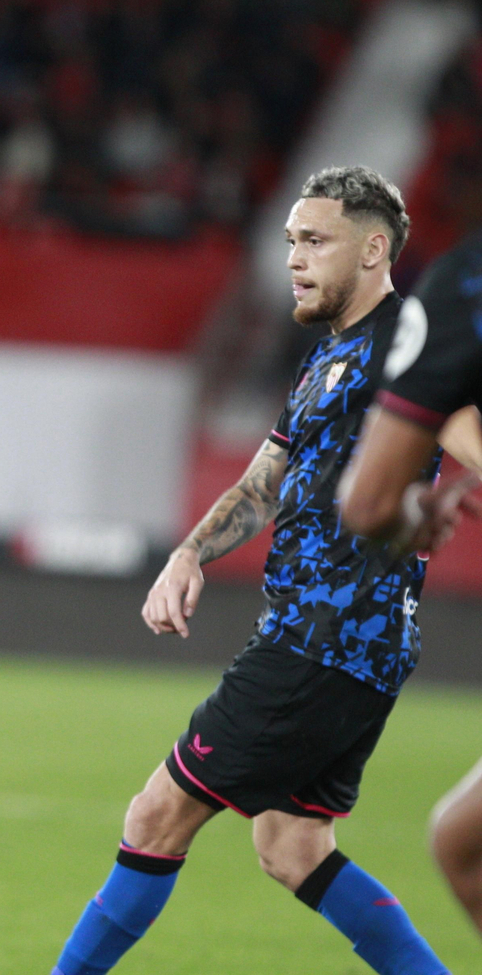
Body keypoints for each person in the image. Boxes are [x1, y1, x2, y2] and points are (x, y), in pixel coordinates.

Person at [51, 166, 481, 975]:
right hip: (344, 644)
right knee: (292, 844)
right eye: (290, 242)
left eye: (315, 241)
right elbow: (265, 483)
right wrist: (188, 553)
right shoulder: (329, 358)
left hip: (326, 641)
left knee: (155, 817)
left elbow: (465, 431)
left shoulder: (405, 346)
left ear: (374, 247)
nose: (295, 258)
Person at [339, 226, 482, 943]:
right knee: (464, 844)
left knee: (464, 850)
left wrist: (411, 511)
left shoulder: (464, 285)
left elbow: (367, 504)